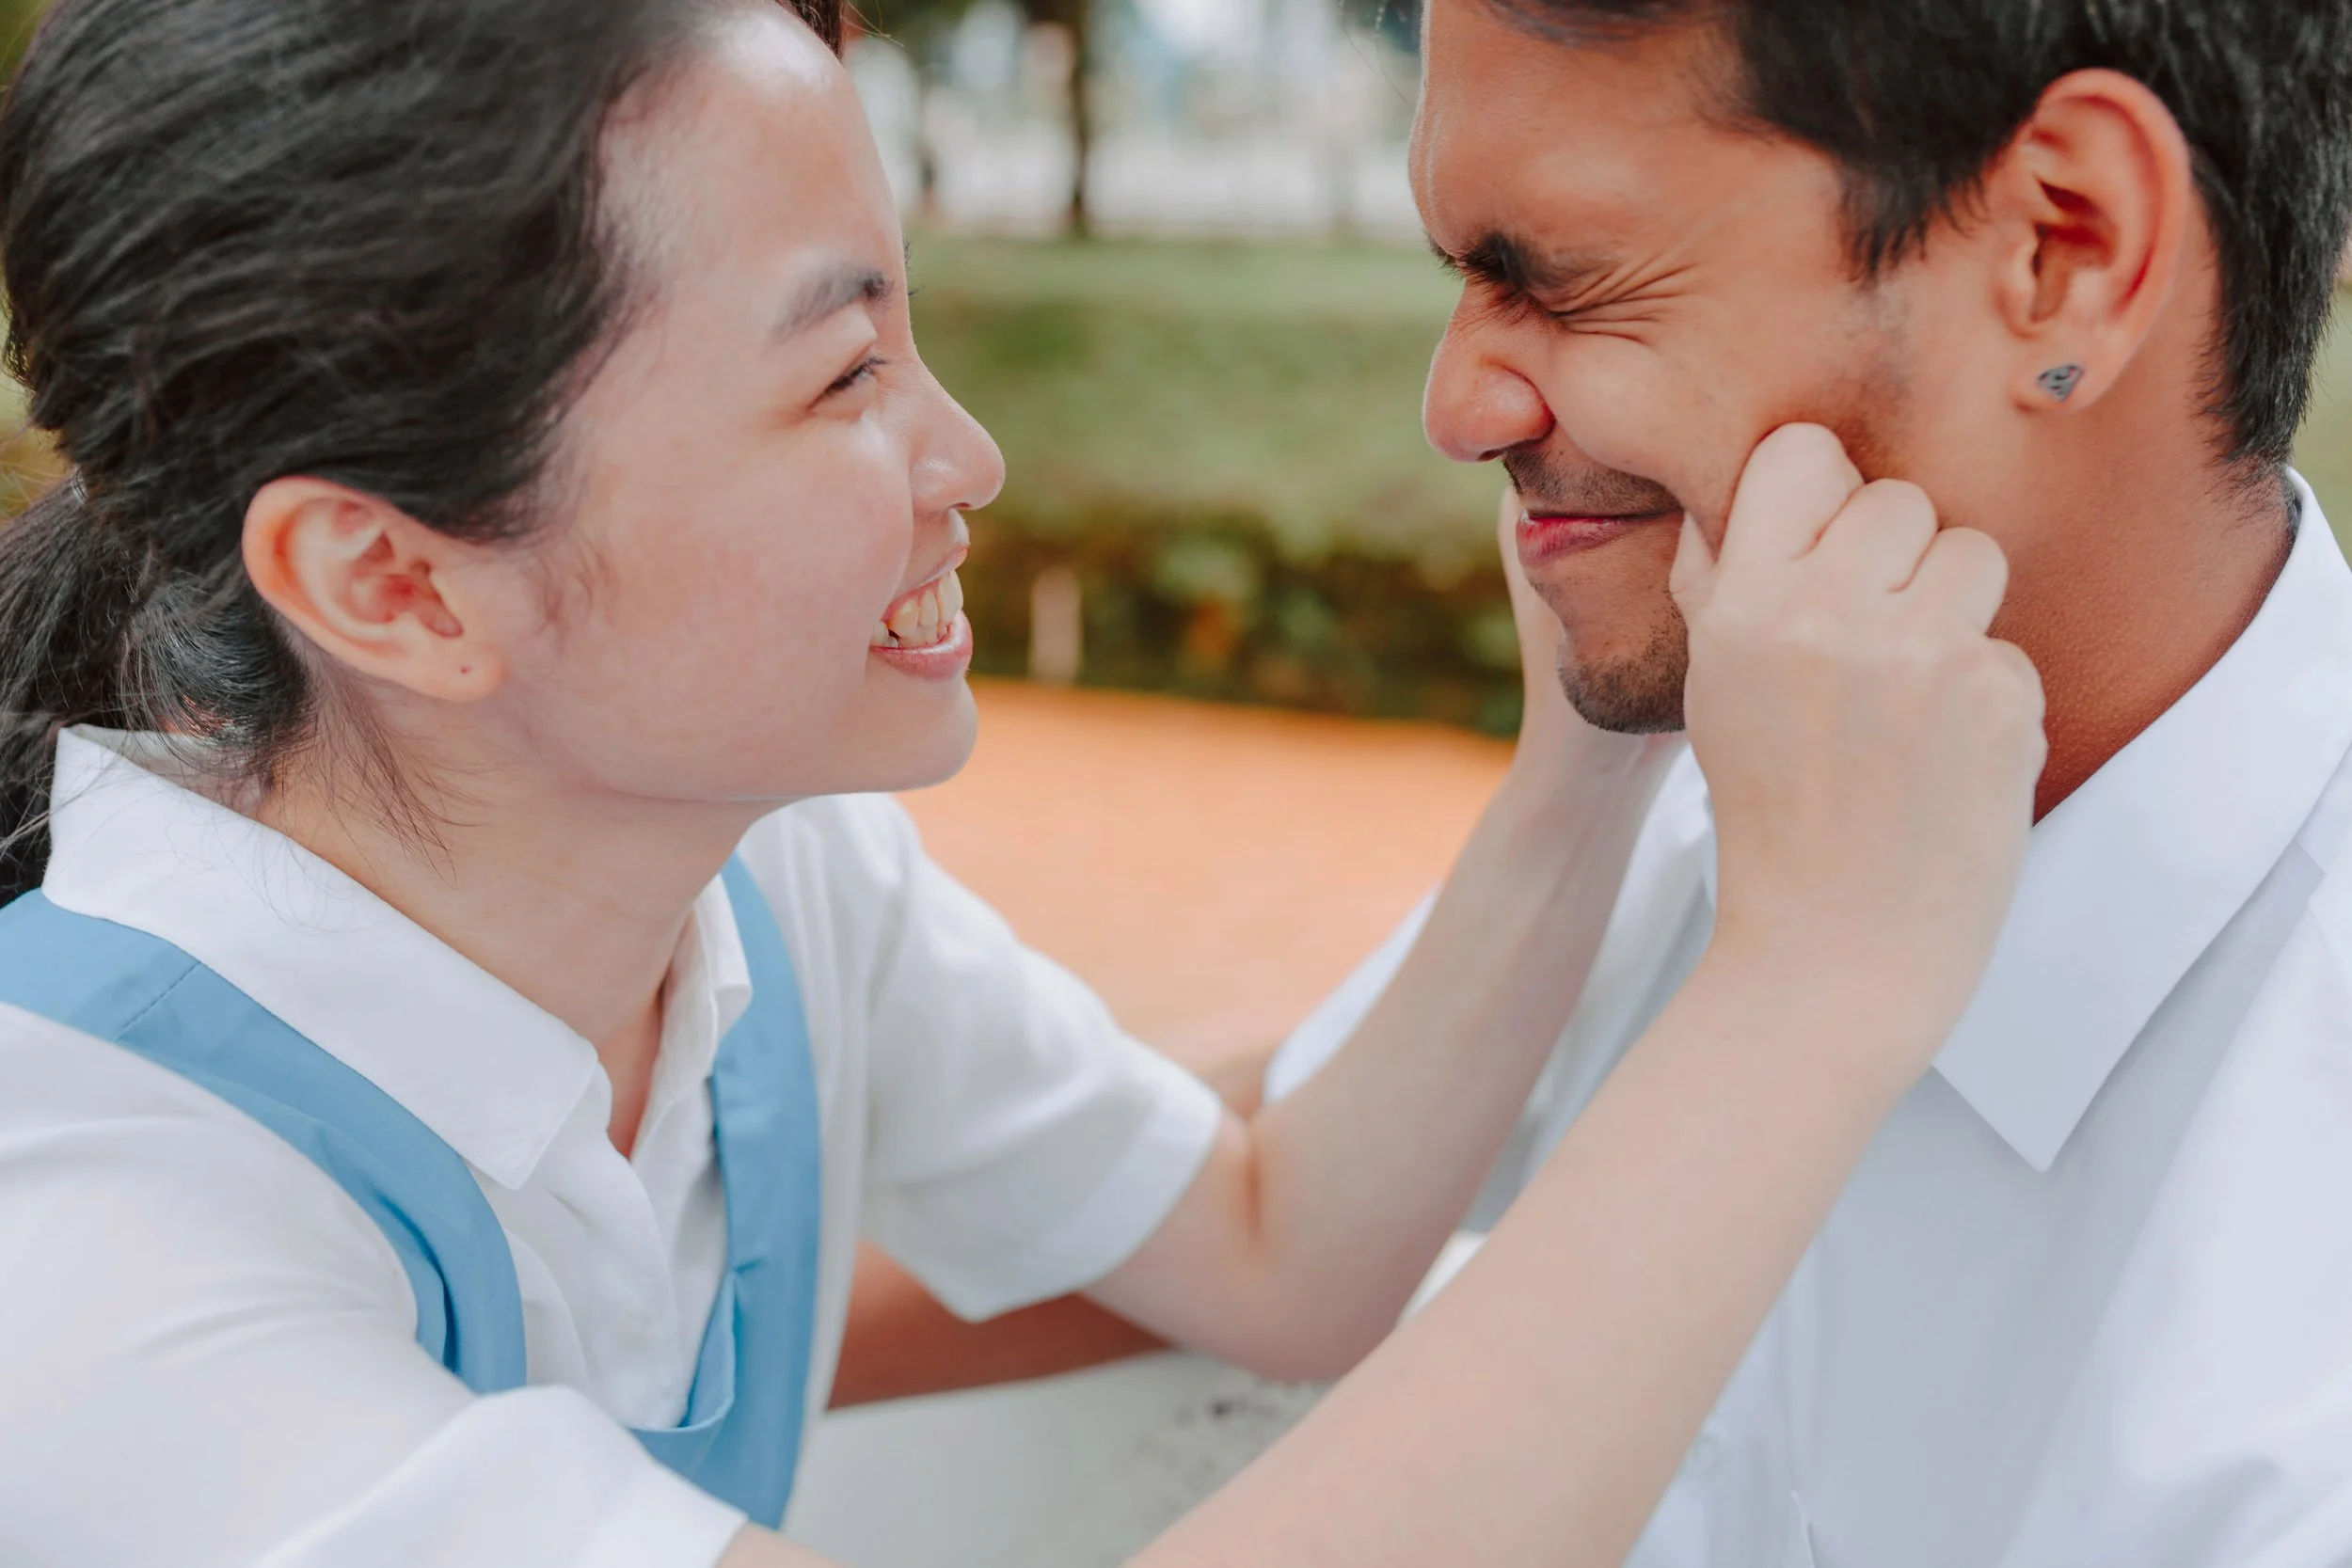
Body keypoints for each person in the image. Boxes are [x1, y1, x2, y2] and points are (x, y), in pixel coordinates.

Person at [0, 0, 2041, 1564]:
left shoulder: (759, 904)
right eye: (840, 377)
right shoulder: (93, 1244)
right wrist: (1815, 977)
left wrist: (1595, 738)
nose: (964, 456)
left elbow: (1278, 1244)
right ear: (388, 580)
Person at [1270, 1, 2352, 1564]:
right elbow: (1258, 1196)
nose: (1459, 407)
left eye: (1561, 279)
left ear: (2066, 246)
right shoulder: (1735, 808)